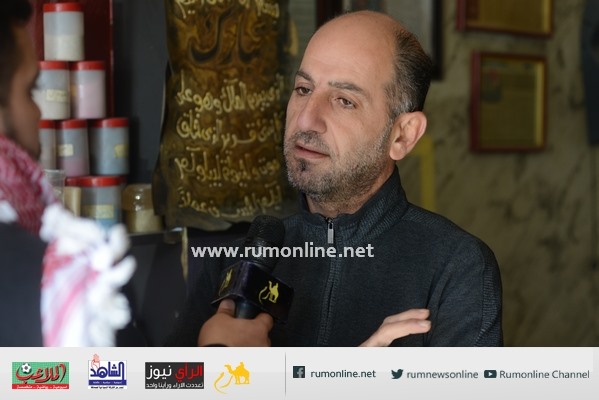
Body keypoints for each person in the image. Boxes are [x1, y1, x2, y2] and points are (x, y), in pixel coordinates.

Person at [167, 10, 503, 347]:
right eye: (303, 89)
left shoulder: (456, 266)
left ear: (403, 135)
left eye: (344, 101)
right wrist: (212, 363)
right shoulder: (235, 260)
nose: (306, 120)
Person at [0, 0, 271, 347]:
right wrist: (219, 357)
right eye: (29, 90)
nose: (39, 111)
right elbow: (111, 374)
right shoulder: (52, 286)